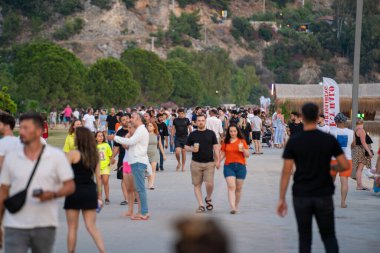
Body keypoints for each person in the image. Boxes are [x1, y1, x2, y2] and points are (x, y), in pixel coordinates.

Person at [277, 103, 349, 253]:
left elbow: (286, 171)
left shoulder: (294, 141)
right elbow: (344, 165)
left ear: (302, 118)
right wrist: (331, 167)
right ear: (317, 118)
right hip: (324, 194)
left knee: (304, 238)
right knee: (329, 236)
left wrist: (282, 199)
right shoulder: (328, 139)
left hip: (301, 195)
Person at [0, 112, 75, 253]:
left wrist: (53, 194)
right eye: (20, 127)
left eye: (26, 128)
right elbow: (3, 191)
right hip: (14, 224)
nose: (21, 132)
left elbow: (70, 186)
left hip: (44, 224)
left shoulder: (55, 156)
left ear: (40, 130)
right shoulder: (11, 158)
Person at [64, 127, 105, 253]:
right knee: (91, 226)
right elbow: (98, 177)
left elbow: (63, 173)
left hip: (74, 191)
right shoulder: (95, 155)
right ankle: (103, 251)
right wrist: (99, 196)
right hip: (89, 190)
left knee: (72, 227)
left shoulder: (72, 154)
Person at [108, 112, 150, 220]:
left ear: (139, 119)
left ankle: (144, 212)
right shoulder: (140, 130)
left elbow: (131, 142)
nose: (130, 119)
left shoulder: (141, 130)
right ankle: (141, 212)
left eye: (133, 117)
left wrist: (115, 138)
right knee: (139, 188)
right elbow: (130, 145)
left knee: (140, 189)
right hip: (135, 161)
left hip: (138, 161)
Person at [184, 114, 219, 213]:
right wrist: (192, 149)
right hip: (196, 163)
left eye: (202, 120)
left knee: (209, 184)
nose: (200, 122)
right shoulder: (193, 134)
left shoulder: (211, 133)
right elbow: (186, 147)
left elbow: (216, 147)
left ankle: (208, 198)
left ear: (205, 121)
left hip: (209, 163)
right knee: (197, 185)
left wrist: (218, 161)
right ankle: (201, 205)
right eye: (198, 120)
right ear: (195, 122)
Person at [220, 125, 250, 214]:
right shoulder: (226, 141)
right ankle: (232, 207)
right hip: (229, 166)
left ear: (237, 132)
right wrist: (217, 162)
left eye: (234, 131)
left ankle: (236, 206)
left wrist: (243, 150)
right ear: (228, 132)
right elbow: (223, 153)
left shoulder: (242, 141)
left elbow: (247, 155)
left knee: (239, 188)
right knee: (231, 186)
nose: (233, 133)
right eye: (231, 131)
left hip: (241, 166)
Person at [330, 113, 354, 208]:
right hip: (347, 159)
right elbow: (353, 145)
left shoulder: (332, 131)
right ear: (344, 121)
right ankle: (343, 202)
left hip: (334, 159)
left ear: (336, 121)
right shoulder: (351, 132)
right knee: (344, 182)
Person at [112, 114, 130, 205]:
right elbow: (116, 147)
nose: (126, 121)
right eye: (123, 120)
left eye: (127, 119)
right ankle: (126, 199)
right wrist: (112, 158)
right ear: (120, 123)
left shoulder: (135, 130)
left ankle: (134, 197)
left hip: (135, 158)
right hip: (123, 158)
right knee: (124, 179)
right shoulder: (119, 133)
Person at [120, 123, 138, 217]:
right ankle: (130, 211)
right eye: (128, 128)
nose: (129, 129)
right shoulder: (128, 137)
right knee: (129, 189)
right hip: (126, 162)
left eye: (131, 128)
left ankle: (140, 211)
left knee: (136, 188)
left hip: (134, 163)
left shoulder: (137, 138)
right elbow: (125, 146)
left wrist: (127, 138)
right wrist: (126, 137)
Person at [352, 118, 373, 190]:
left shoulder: (355, 130)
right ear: (362, 123)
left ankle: (359, 185)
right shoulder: (361, 130)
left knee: (359, 169)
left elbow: (354, 143)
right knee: (360, 169)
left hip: (357, 150)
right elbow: (363, 142)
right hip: (361, 151)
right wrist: (369, 152)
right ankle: (359, 185)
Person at [146, 122, 166, 190]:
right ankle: (149, 182)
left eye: (151, 126)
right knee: (148, 170)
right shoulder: (145, 135)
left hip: (154, 153)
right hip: (145, 154)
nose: (149, 127)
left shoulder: (157, 135)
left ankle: (151, 184)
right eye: (148, 126)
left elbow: (160, 145)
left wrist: (163, 155)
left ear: (154, 127)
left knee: (153, 169)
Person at [95, 131, 112, 205]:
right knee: (99, 183)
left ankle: (107, 197)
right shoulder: (93, 146)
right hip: (97, 167)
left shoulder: (106, 145)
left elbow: (110, 155)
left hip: (105, 166)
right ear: (95, 138)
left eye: (102, 136)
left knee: (105, 181)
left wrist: (110, 162)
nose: (101, 137)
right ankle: (99, 198)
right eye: (99, 136)